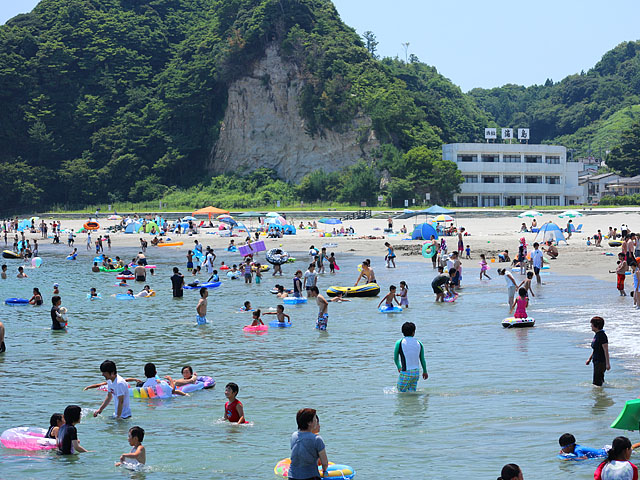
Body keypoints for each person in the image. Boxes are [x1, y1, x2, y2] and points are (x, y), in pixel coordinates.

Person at [288, 408, 328, 480]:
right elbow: (324, 463)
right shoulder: (317, 439)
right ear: (309, 423)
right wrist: (325, 471)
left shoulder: (294, 436)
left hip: (292, 476)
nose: (316, 421)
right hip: (310, 477)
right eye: (315, 419)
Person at [394, 322, 428, 392]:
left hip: (406, 372)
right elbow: (422, 359)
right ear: (413, 332)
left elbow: (395, 358)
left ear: (402, 332)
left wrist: (399, 367)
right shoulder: (419, 343)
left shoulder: (399, 342)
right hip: (416, 373)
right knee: (412, 393)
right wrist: (425, 371)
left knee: (400, 392)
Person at [587, 316, 610, 387]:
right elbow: (596, 349)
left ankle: (600, 396)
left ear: (596, 326)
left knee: (597, 384)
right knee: (599, 382)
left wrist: (607, 364)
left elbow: (606, 350)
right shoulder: (597, 335)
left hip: (601, 362)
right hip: (596, 361)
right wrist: (589, 359)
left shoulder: (602, 336)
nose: (591, 326)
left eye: (592, 324)